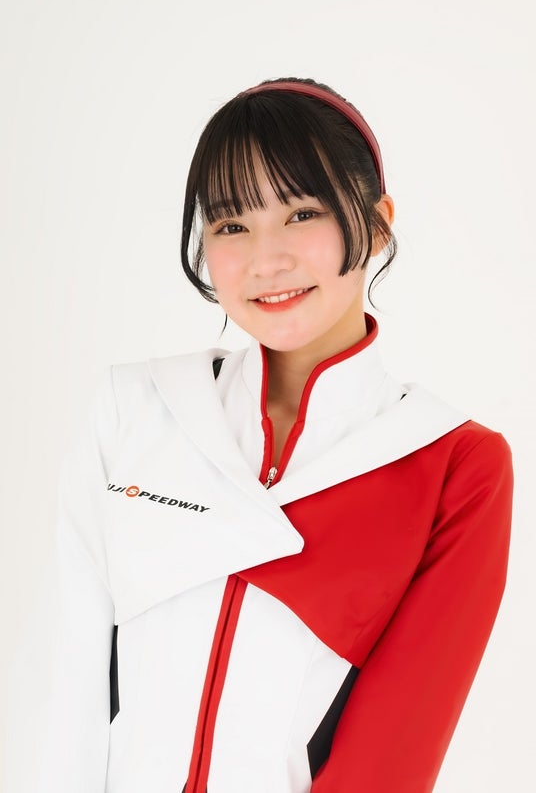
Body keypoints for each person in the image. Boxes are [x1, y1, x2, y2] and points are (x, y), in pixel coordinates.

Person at [6, 77, 513, 793]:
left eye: (301, 213)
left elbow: (392, 757)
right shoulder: (136, 407)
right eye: (231, 225)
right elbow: (60, 689)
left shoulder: (450, 462)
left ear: (375, 226)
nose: (265, 260)